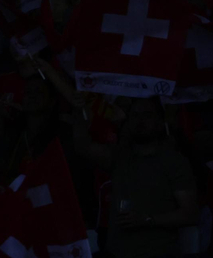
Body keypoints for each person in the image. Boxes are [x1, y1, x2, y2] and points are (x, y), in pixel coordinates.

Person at [75, 96, 199, 258]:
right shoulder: (119, 156)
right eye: (135, 115)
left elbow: (190, 213)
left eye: (147, 115)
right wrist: (78, 108)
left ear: (159, 121)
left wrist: (147, 219)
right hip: (116, 253)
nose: (140, 121)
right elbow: (82, 146)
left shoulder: (174, 161)